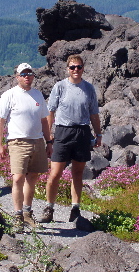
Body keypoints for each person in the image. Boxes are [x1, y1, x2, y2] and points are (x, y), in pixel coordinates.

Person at [39, 54, 102, 223]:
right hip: (63, 132)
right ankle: (49, 207)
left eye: (79, 67)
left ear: (83, 69)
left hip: (82, 132)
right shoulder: (60, 87)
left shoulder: (89, 89)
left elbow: (94, 113)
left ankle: (75, 208)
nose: (76, 70)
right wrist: (48, 135)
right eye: (73, 67)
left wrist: (98, 134)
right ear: (67, 69)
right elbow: (50, 112)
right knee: (55, 173)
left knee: (78, 173)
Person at [0, 63, 52, 233]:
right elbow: (0, 121)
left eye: (30, 73)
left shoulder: (38, 95)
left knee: (32, 177)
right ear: (17, 77)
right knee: (18, 178)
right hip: (17, 141)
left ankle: (27, 213)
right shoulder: (9, 95)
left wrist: (49, 142)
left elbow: (44, 120)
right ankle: (18, 216)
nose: (27, 76)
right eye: (23, 74)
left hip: (37, 141)